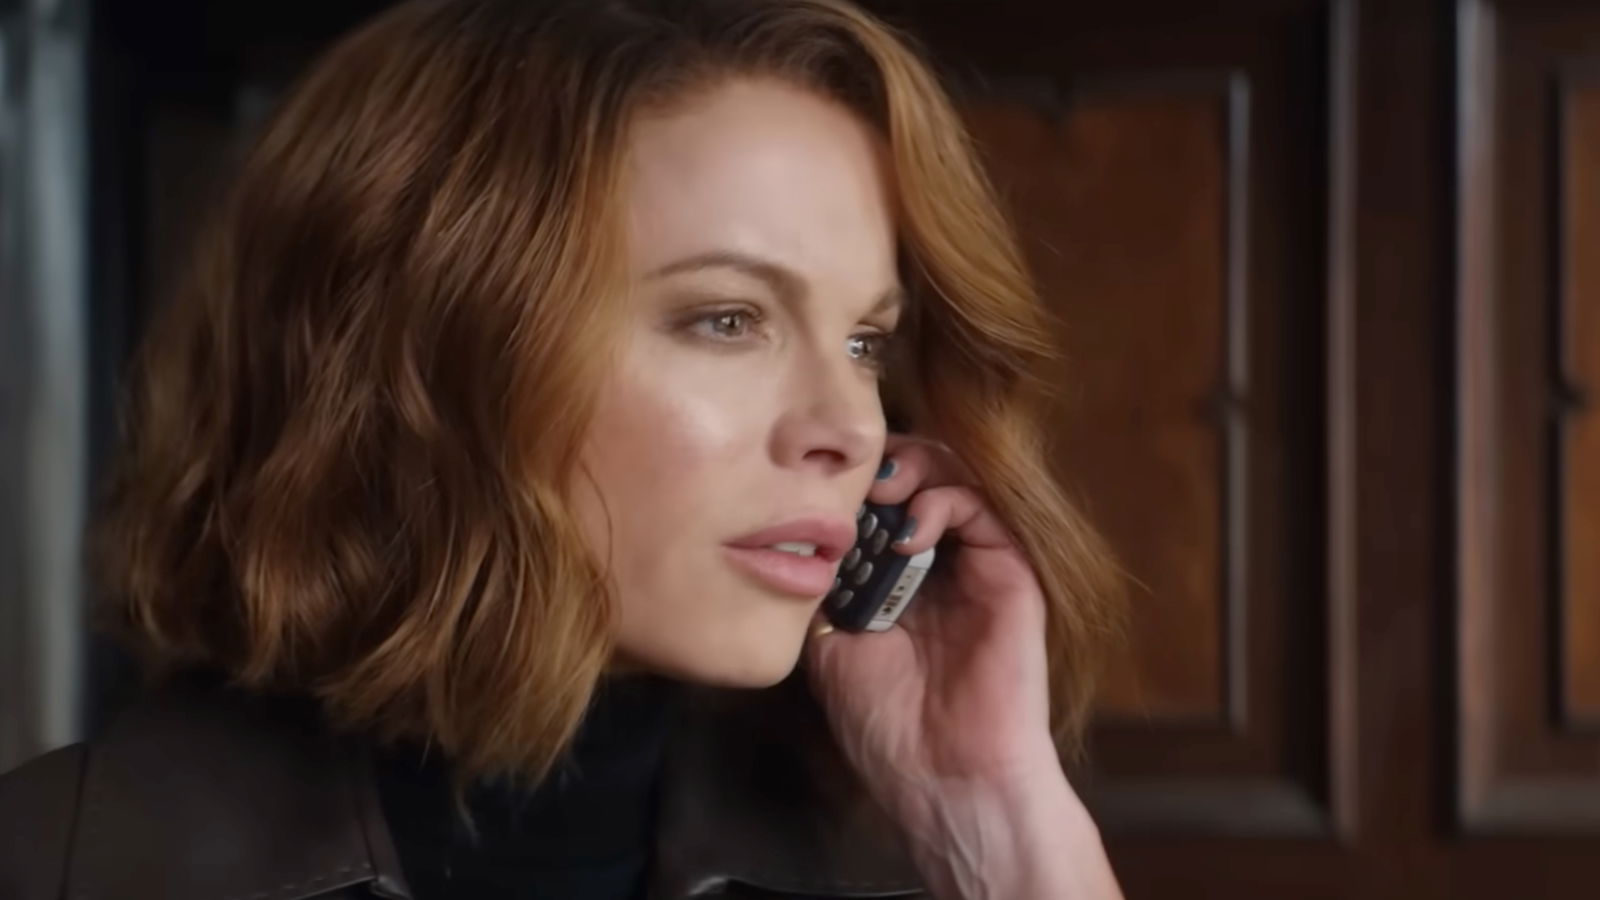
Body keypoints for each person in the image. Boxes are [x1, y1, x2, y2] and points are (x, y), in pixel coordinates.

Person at [0, 0, 1125, 897]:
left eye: (866, 341)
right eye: (727, 320)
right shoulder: (52, 864)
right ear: (434, 353)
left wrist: (995, 817)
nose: (849, 427)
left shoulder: (908, 865)